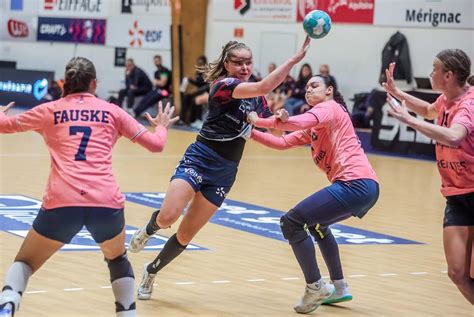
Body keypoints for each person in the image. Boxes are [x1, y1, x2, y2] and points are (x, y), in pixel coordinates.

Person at [128, 37, 311, 301]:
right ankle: (149, 229)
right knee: (168, 216)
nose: (245, 67)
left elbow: (266, 124)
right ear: (227, 64)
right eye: (238, 62)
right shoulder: (224, 86)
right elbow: (266, 84)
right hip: (200, 159)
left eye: (248, 62)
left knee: (185, 234)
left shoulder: (255, 95)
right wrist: (294, 60)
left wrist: (280, 119)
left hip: (225, 171)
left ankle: (151, 270)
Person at [0, 57, 178, 317]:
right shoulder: (113, 111)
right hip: (106, 203)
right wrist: (161, 127)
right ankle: (127, 313)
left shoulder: (49, 110)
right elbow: (156, 145)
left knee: (25, 262)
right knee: (117, 260)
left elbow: (4, 126)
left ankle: (8, 303)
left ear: (65, 82)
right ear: (94, 83)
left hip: (62, 202)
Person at [247, 74, 379, 314]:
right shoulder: (317, 125)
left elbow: (293, 123)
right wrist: (249, 132)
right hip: (365, 187)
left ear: (329, 90)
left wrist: (257, 120)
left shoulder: (330, 108)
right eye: (306, 87)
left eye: (314, 86)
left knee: (291, 221)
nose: (308, 90)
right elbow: (282, 142)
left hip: (355, 184)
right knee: (318, 226)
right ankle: (339, 287)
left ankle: (315, 286)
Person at [382, 49, 474, 304]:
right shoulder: (446, 99)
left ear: (448, 75)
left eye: (434, 69)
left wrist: (407, 120)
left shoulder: (469, 104)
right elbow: (429, 111)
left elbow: (455, 136)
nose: (429, 74)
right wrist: (397, 93)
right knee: (457, 273)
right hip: (456, 195)